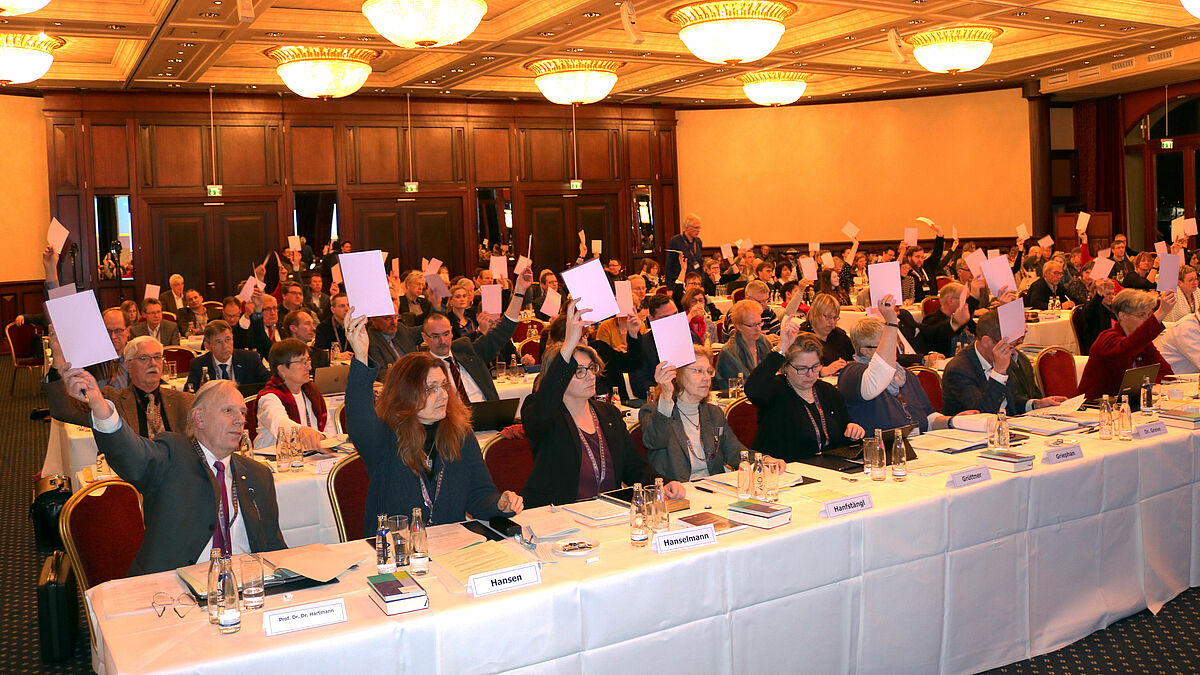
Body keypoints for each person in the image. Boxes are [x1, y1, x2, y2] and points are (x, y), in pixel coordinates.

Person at [60, 371, 286, 574]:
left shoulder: (258, 474)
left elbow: (274, 548)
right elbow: (131, 454)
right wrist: (100, 407)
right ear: (198, 418)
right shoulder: (173, 455)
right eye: (228, 410)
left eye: (243, 412)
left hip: (246, 586)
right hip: (176, 589)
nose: (240, 419)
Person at [343, 316, 522, 534]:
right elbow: (358, 418)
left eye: (444, 386)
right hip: (398, 550)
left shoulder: (459, 433)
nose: (443, 395)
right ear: (406, 394)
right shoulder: (385, 437)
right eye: (431, 388)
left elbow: (479, 495)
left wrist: (499, 503)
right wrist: (361, 358)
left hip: (451, 547)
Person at [520, 299, 683, 508]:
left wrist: (663, 484)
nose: (590, 376)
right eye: (578, 371)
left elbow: (634, 467)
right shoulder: (542, 412)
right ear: (559, 375)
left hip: (607, 513)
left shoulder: (608, 413)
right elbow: (545, 402)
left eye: (591, 368)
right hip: (560, 516)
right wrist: (569, 344)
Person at [838, 296, 961, 435]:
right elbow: (878, 377)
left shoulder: (905, 374)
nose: (892, 349)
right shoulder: (853, 374)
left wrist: (954, 422)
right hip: (880, 451)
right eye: (885, 345)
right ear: (865, 352)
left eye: (893, 342)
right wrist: (890, 323)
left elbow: (928, 418)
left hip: (921, 447)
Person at [638, 346, 761, 481]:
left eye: (709, 372)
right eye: (699, 371)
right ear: (677, 375)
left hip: (714, 488)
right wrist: (666, 394)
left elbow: (734, 451)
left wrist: (764, 460)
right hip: (677, 492)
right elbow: (655, 441)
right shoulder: (654, 412)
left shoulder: (713, 413)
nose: (707, 378)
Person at [745, 325, 866, 461]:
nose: (810, 374)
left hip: (826, 469)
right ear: (785, 367)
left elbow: (844, 429)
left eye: (815, 367)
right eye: (802, 369)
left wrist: (852, 432)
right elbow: (752, 388)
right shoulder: (775, 390)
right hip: (784, 470)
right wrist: (781, 349)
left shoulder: (828, 391)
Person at [422, 265, 531, 402]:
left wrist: (519, 291)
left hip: (488, 414)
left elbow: (503, 330)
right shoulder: (423, 368)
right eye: (436, 336)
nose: (443, 341)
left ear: (451, 333)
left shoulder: (466, 351)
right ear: (425, 338)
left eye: (445, 334)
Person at [46, 335, 193, 436]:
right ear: (128, 365)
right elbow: (64, 411)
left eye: (157, 357)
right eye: (144, 358)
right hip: (134, 477)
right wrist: (58, 357)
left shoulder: (184, 401)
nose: (153, 363)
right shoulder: (112, 400)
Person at [941, 310, 1066, 416]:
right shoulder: (959, 370)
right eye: (1009, 346)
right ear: (986, 341)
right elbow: (984, 414)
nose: (1012, 352)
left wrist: (1035, 404)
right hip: (972, 439)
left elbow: (1009, 402)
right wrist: (999, 372)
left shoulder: (1000, 356)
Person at [1077, 289, 1175, 399]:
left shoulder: (1143, 343)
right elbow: (1127, 348)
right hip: (1095, 407)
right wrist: (1161, 312)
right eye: (1141, 315)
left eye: (1149, 315)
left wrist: (1150, 386)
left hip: (1130, 404)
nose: (1147, 320)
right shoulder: (1107, 339)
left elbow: (1166, 374)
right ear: (1122, 316)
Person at [254, 338, 333, 450]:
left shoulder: (312, 392)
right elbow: (280, 423)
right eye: (302, 362)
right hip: (274, 460)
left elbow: (330, 431)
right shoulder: (268, 398)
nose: (309, 367)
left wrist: (321, 437)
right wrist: (303, 431)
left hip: (310, 456)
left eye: (308, 361)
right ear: (282, 370)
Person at [186, 320, 270, 390]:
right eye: (218, 342)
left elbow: (269, 383)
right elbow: (189, 392)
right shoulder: (198, 364)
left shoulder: (250, 359)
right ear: (207, 346)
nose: (225, 346)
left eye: (228, 339)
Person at [715, 299, 773, 391]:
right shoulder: (729, 352)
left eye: (759, 323)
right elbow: (748, 384)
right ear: (738, 326)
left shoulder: (764, 342)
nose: (758, 329)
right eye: (752, 325)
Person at [798, 293, 853, 377]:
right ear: (815, 314)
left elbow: (853, 357)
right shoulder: (802, 335)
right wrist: (824, 370)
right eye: (827, 317)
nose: (832, 322)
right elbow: (797, 370)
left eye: (835, 318)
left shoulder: (839, 335)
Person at [920, 282, 974, 358]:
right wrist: (957, 321)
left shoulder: (964, 317)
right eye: (965, 300)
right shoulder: (932, 321)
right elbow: (944, 331)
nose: (967, 304)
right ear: (951, 300)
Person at [905, 221, 946, 302]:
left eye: (922, 257)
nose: (920, 260)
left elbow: (937, 253)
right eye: (917, 257)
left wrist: (940, 233)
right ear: (909, 257)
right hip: (916, 305)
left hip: (933, 302)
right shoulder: (906, 271)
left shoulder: (927, 266)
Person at [1076, 278, 1117, 356]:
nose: (1111, 297)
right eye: (1107, 294)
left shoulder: (1113, 308)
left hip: (1114, 344)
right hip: (1100, 349)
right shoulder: (1092, 309)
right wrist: (1099, 295)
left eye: (1113, 294)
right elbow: (1091, 309)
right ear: (1096, 293)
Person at [665, 214, 704, 289]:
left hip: (696, 283)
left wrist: (701, 285)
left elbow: (700, 264)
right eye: (696, 228)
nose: (698, 230)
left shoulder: (698, 242)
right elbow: (669, 266)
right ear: (687, 227)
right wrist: (669, 288)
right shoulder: (675, 241)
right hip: (680, 282)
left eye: (699, 228)